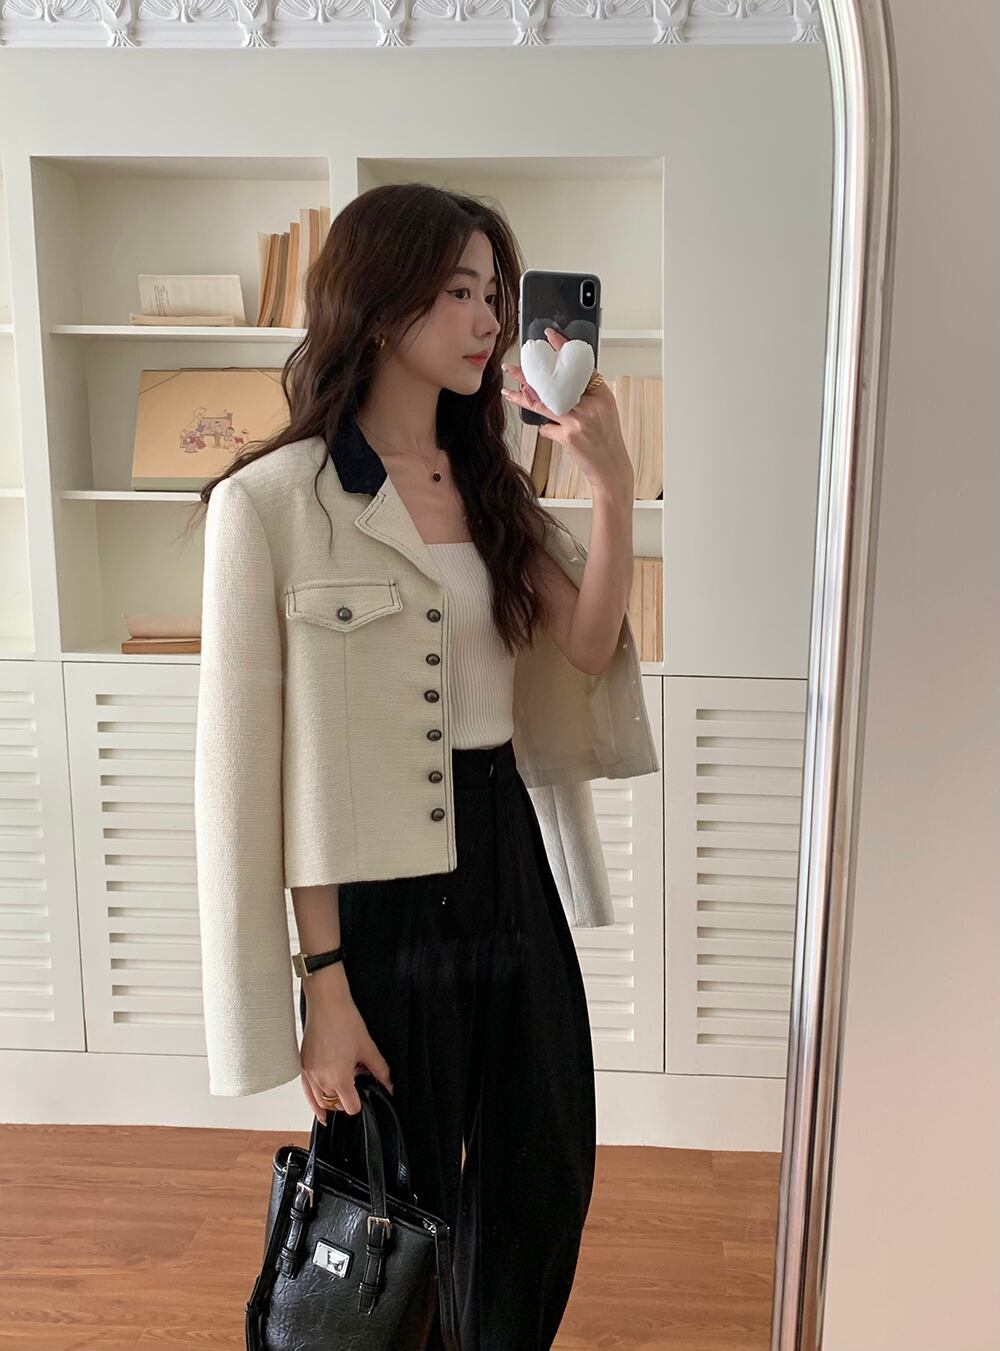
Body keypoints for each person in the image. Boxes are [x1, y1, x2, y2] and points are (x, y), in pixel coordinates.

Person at [190, 182, 658, 1351]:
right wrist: (324, 984)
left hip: (504, 853)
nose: (489, 320)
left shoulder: (487, 484)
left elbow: (585, 642)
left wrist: (608, 485)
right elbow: (258, 780)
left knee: (543, 1157)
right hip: (374, 893)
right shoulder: (272, 505)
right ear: (379, 300)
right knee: (391, 1199)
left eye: (494, 293)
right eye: (458, 292)